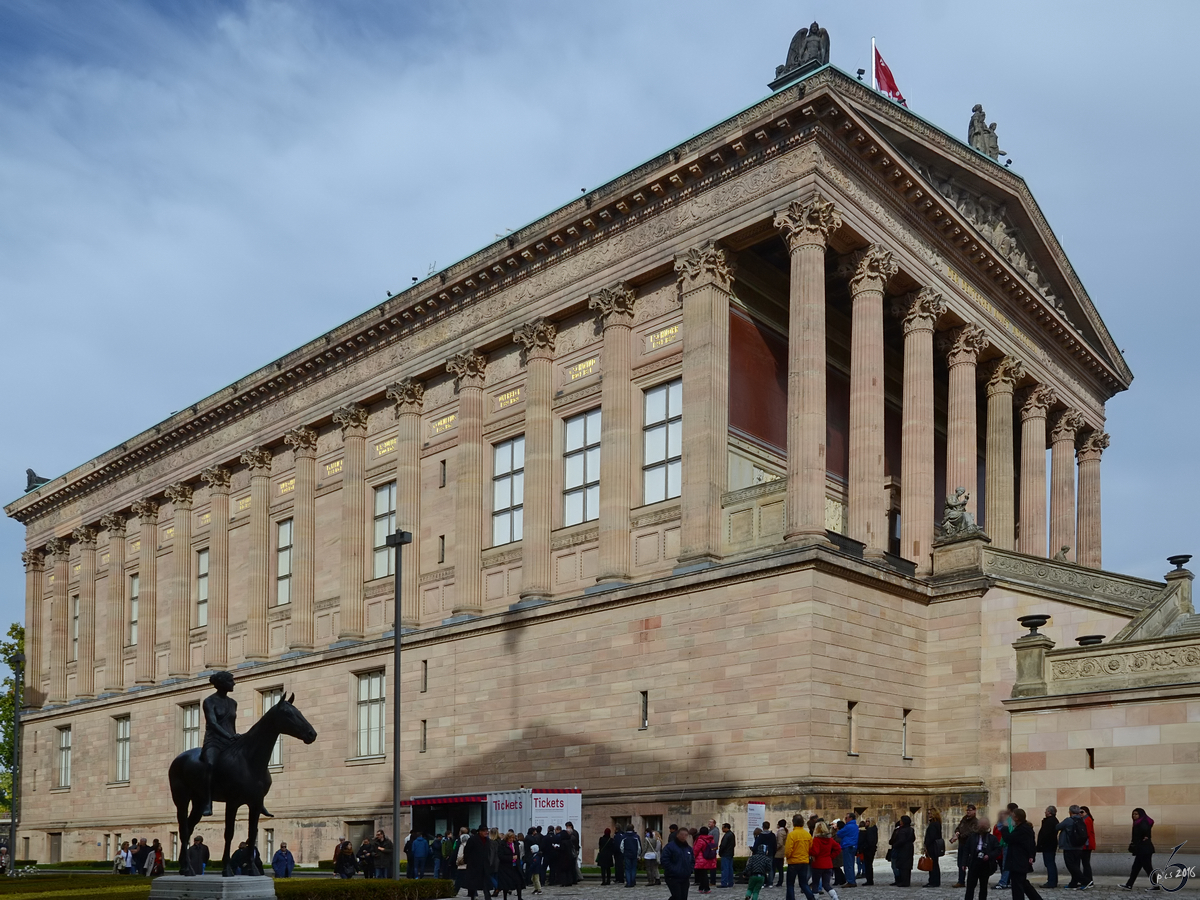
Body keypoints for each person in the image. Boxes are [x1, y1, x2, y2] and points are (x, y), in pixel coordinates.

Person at [1006, 809, 1043, 900]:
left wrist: (1004, 828)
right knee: (1023, 883)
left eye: (1013, 816)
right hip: (1019, 860)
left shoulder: (1022, 829)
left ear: (1017, 818)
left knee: (1017, 885)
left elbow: (1009, 838)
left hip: (1019, 861)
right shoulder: (1023, 828)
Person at [965, 818, 1000, 900]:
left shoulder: (992, 838)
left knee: (983, 886)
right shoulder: (972, 837)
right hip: (974, 863)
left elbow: (997, 850)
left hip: (985, 864)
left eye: (984, 825)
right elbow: (966, 850)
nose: (982, 827)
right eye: (980, 824)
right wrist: (964, 863)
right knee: (970, 886)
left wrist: (989, 855)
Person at [1121, 808, 1155, 890]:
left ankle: (1156, 885)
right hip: (1141, 849)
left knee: (1148, 868)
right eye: (1133, 814)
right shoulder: (1138, 822)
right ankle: (1129, 884)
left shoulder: (1142, 822)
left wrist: (1144, 837)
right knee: (1135, 868)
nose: (1134, 816)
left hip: (1145, 849)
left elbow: (1144, 831)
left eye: (1136, 814)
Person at [785, 815, 817, 900]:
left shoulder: (792, 835)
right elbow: (811, 848)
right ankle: (811, 898)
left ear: (793, 822)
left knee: (790, 884)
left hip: (793, 862)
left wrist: (788, 857)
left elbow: (788, 850)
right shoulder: (807, 835)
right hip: (804, 861)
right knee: (803, 884)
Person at [662, 826, 697, 900]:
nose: (683, 836)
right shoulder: (670, 846)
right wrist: (673, 870)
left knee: (683, 897)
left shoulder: (688, 848)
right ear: (677, 835)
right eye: (682, 834)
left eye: (685, 835)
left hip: (685, 877)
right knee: (677, 896)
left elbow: (692, 860)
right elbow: (665, 860)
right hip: (673, 877)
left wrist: (689, 870)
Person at [1057, 806, 1086, 889]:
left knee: (1070, 865)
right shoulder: (1081, 820)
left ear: (1070, 812)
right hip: (1079, 846)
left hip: (1069, 846)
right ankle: (1073, 883)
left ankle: (1085, 881)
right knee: (1076, 865)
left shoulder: (1069, 820)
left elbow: (1057, 827)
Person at [810, 822, 841, 900]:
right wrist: (831, 857)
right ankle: (834, 896)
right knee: (826, 884)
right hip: (828, 863)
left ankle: (815, 898)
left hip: (818, 864)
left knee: (815, 884)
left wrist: (809, 850)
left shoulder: (816, 840)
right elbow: (838, 848)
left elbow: (815, 852)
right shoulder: (830, 839)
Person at [951, 805, 979, 888]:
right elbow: (958, 828)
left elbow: (972, 832)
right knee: (961, 863)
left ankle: (971, 880)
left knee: (970, 864)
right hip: (962, 844)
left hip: (970, 845)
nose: (968, 812)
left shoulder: (975, 822)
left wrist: (959, 836)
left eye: (970, 810)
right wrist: (957, 832)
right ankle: (961, 880)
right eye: (967, 810)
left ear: (974, 811)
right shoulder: (964, 819)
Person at [465, 826, 494, 900]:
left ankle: (488, 897)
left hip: (485, 865)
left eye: (487, 831)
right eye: (484, 831)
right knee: (473, 884)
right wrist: (468, 862)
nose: (486, 832)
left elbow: (489, 852)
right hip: (474, 865)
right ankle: (472, 896)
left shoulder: (487, 840)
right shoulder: (473, 839)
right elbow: (467, 851)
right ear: (480, 832)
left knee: (486, 883)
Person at [497, 830, 524, 900]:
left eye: (513, 838)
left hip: (515, 866)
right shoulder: (502, 845)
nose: (511, 839)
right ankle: (505, 897)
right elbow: (500, 856)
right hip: (506, 867)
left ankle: (519, 897)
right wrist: (510, 858)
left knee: (518, 882)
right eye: (510, 838)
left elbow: (518, 854)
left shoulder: (515, 844)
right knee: (506, 884)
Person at [889, 815, 915, 887]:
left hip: (903, 849)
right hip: (909, 848)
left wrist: (895, 845)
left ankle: (904, 882)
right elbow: (913, 838)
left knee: (903, 866)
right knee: (907, 866)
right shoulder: (911, 829)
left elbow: (901, 840)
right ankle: (906, 881)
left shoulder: (902, 830)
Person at [1036, 807, 1059, 889]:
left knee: (1049, 863)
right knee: (1050, 863)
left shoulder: (1050, 821)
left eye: (1046, 811)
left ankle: (1051, 881)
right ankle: (1053, 881)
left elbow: (1045, 835)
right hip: (1050, 845)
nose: (1045, 812)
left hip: (1048, 845)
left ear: (1049, 812)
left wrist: (1040, 845)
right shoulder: (1052, 821)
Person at [997, 805, 1017, 890]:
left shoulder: (1009, 819)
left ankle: (1003, 882)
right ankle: (1009, 881)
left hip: (1007, 844)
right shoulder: (1015, 819)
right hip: (1011, 844)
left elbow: (1002, 829)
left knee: (1006, 864)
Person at [837, 813, 859, 888]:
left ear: (850, 818)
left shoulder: (848, 826)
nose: (845, 819)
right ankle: (851, 880)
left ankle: (850, 881)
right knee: (851, 864)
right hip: (853, 846)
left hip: (848, 846)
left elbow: (839, 833)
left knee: (848, 865)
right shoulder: (855, 826)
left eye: (846, 818)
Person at [694, 826, 718, 894]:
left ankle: (706, 888)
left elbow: (696, 850)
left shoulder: (700, 840)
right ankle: (701, 887)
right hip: (709, 858)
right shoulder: (711, 839)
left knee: (703, 874)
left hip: (701, 859)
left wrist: (693, 857)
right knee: (703, 874)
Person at [923, 811, 944, 888]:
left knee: (933, 864)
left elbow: (931, 837)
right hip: (934, 846)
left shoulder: (933, 825)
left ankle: (933, 881)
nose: (928, 815)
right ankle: (934, 881)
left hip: (932, 847)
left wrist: (926, 845)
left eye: (930, 813)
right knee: (934, 864)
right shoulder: (937, 824)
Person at [1078, 806, 1096, 890]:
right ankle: (1088, 880)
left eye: (1082, 812)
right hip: (1085, 844)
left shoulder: (1087, 820)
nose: (1080, 814)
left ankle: (1088, 880)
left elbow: (1086, 833)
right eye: (1079, 812)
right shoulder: (1085, 819)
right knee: (1085, 863)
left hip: (1086, 845)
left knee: (1086, 864)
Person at [859, 818, 879, 886]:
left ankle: (869, 880)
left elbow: (870, 841)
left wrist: (864, 847)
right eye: (866, 821)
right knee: (868, 865)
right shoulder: (872, 829)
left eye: (868, 821)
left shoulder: (870, 830)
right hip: (870, 849)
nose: (866, 822)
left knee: (868, 865)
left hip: (869, 850)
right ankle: (869, 879)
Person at [719, 824, 737, 889]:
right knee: (730, 869)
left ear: (726, 828)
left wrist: (720, 852)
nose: (722, 829)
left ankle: (724, 883)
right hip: (730, 853)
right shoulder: (732, 834)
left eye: (723, 828)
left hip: (725, 854)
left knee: (725, 869)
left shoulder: (727, 835)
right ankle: (730, 882)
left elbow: (723, 845)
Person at [774, 820, 789, 887]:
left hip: (778, 852)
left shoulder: (780, 833)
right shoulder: (785, 831)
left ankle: (779, 881)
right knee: (780, 868)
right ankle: (780, 881)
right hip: (783, 851)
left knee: (775, 867)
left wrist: (775, 848)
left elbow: (780, 843)